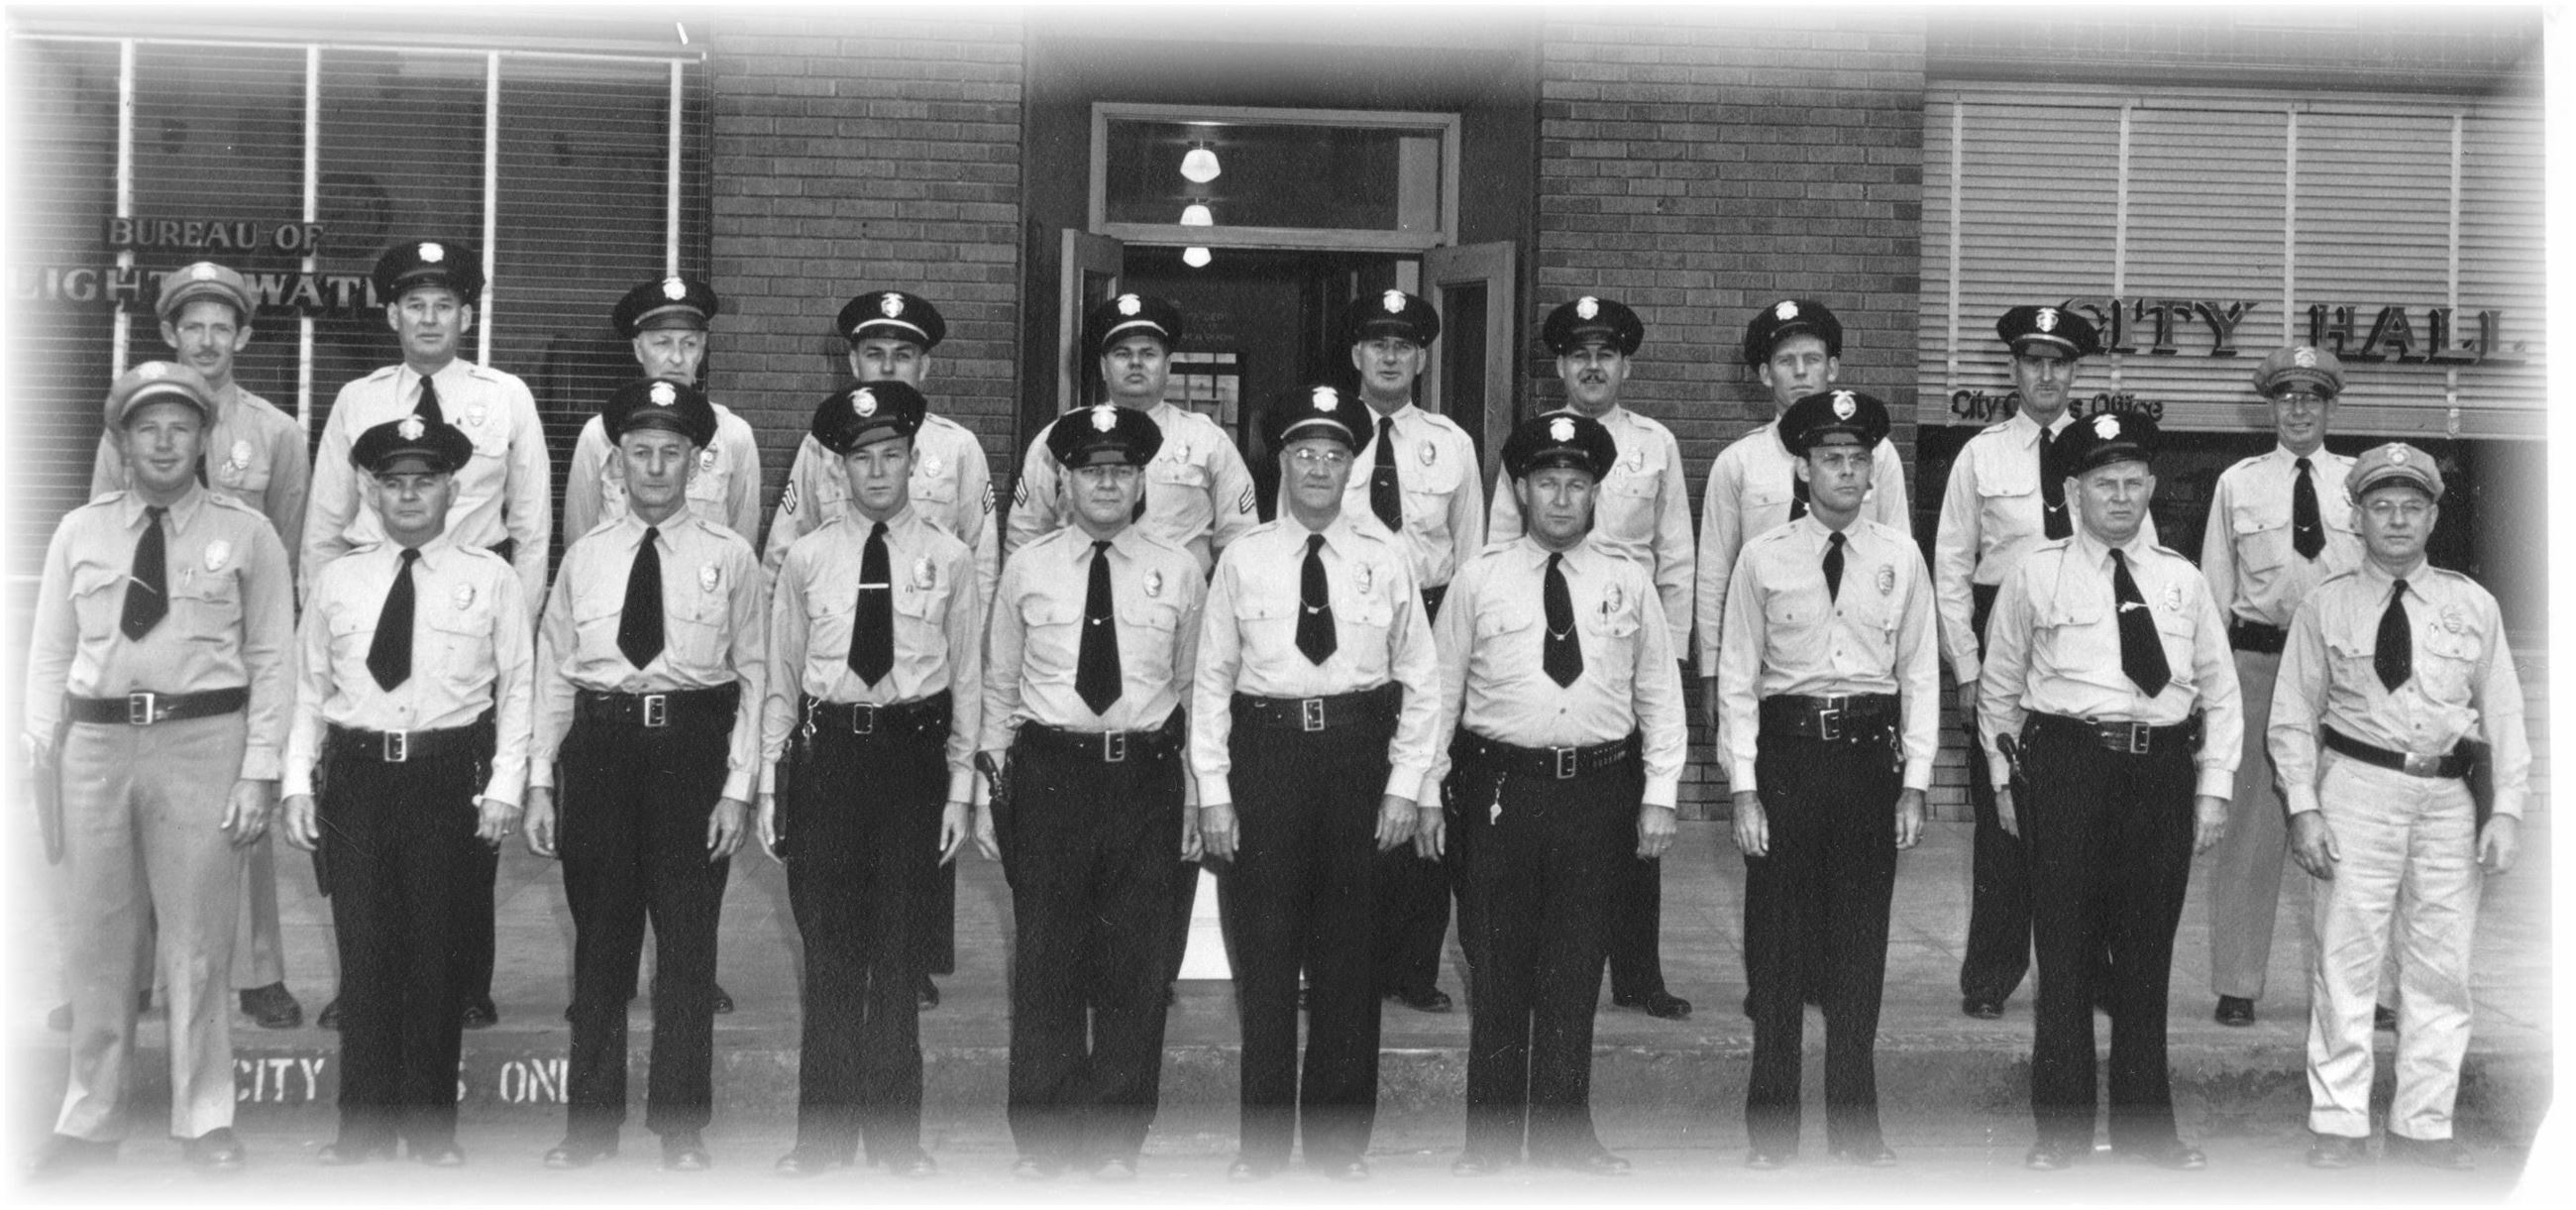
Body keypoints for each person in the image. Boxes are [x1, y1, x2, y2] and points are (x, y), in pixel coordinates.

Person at [24, 362, 292, 1176]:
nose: (166, 441)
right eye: (148, 427)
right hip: (96, 749)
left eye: (182, 426)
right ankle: (89, 1115)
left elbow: (272, 656)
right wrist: (38, 746)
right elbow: (49, 652)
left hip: (201, 743)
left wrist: (259, 770)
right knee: (98, 944)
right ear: (123, 440)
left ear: (206, 437)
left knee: (198, 943)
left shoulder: (249, 532)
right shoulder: (80, 530)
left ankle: (203, 1115)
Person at [1977, 410, 2237, 1171]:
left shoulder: (2182, 580)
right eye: (2104, 483)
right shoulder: (2036, 572)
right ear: (2073, 490)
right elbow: (1998, 691)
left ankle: (2148, 1134)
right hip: (2067, 766)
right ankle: (2059, 1135)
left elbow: (2221, 693)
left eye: (2133, 483)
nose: (2120, 497)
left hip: (2158, 771)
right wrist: (2001, 780)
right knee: (2062, 953)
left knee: (2147, 957)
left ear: (2151, 486)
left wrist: (2213, 788)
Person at [1194, 385, 1440, 1182]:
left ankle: (1339, 1148)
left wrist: (1406, 785)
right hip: (1267, 762)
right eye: (1305, 454)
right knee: (1263, 958)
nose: (1319, 470)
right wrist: (1215, 790)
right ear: (1283, 461)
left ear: (1352, 466)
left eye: (1335, 456)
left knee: (1350, 957)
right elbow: (1211, 681)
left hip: (1358, 762)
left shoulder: (1386, 556)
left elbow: (1422, 680)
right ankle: (1261, 1149)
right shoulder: (1244, 557)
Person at [305, 238, 549, 1031]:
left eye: (445, 304)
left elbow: (532, 525)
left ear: (468, 313)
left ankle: (465, 984)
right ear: (391, 314)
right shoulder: (357, 400)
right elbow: (324, 525)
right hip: (373, 618)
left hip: (468, 619)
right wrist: (332, 628)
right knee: (363, 839)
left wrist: (518, 630)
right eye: (415, 304)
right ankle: (363, 983)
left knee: (464, 832)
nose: (430, 318)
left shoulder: (505, 397)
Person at [1434, 411, 1686, 1177]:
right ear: (1520, 487)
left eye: (1578, 483)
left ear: (1596, 493)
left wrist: (1661, 793)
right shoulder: (1480, 579)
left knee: (1577, 968)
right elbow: (1439, 693)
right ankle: (1489, 1143)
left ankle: (1565, 1134)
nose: (1563, 497)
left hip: (1598, 791)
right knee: (1499, 967)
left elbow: (1659, 694)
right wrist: (1419, 788)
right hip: (1501, 790)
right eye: (1548, 481)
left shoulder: (1627, 580)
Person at [278, 414, 532, 1167]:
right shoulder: (338, 578)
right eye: (395, 481)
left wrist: (507, 785)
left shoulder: (491, 577)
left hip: (445, 777)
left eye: (425, 480)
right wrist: (298, 782)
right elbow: (307, 688)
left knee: (434, 953)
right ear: (371, 489)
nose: (410, 494)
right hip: (356, 779)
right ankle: (360, 1127)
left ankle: (429, 1132)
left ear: (453, 488)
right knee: (364, 953)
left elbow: (519, 687)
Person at [524, 380, 764, 1171]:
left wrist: (738, 785)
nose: (656, 466)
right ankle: (589, 1125)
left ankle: (681, 1126)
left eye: (672, 452)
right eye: (641, 452)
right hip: (601, 753)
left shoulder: (731, 558)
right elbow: (555, 672)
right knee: (601, 944)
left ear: (696, 463)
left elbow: (757, 675)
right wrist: (537, 780)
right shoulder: (585, 557)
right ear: (616, 463)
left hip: (693, 754)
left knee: (689, 945)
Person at [2273, 443, 2528, 1171]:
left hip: (2449, 797)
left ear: (2434, 516)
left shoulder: (2471, 603)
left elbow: (2504, 710)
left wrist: (2506, 807)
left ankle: (2424, 1126)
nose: (2396, 520)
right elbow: (2292, 713)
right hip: (2356, 785)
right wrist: (2304, 807)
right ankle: (2338, 1120)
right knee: (2344, 956)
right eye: (2381, 506)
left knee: (2441, 964)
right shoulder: (2325, 605)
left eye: (2411, 506)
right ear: (2356, 517)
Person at [78, 263, 309, 1033]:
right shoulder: (131, 429)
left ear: (243, 335)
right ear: (170, 333)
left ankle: (259, 972)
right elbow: (106, 534)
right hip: (144, 652)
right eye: (193, 327)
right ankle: (127, 977)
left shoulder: (276, 432)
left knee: (237, 820)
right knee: (128, 828)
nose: (207, 341)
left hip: (228, 656)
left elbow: (288, 545)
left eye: (223, 327)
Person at [759, 381, 982, 1179]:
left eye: (892, 455)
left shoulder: (950, 559)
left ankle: (895, 1139)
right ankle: (819, 1139)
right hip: (830, 763)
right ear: (838, 468)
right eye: (863, 458)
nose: (878, 471)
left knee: (896, 957)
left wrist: (962, 787)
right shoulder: (807, 559)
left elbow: (970, 679)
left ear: (914, 462)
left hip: (912, 762)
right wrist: (765, 784)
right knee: (828, 954)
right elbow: (780, 675)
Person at [1008, 291, 1257, 1000]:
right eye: (1122, 350)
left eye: (1149, 350)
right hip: (1077, 631)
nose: (1137, 362)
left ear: (1169, 361)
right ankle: (1081, 972)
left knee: (1164, 818)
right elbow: (1025, 534)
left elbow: (1241, 540)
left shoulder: (1207, 442)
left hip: (1170, 636)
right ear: (1103, 362)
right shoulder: (1056, 439)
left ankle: (1151, 969)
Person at [979, 402, 1204, 1180]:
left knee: (1133, 962)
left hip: (1144, 775)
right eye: (1090, 469)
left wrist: (1198, 793)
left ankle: (1115, 1138)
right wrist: (986, 790)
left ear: (1141, 480)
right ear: (1064, 480)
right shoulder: (1028, 567)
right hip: (1050, 773)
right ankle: (1042, 1137)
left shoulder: (1177, 567)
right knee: (1046, 956)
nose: (1106, 482)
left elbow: (1193, 687)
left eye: (1121, 469)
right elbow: (1000, 684)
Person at [1714, 389, 1936, 1169]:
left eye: (1857, 461)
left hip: (1867, 763)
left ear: (1873, 471)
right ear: (1802, 469)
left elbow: (1918, 671)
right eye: (1830, 460)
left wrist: (1914, 780)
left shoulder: (1899, 557)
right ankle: (1771, 1133)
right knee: (1775, 953)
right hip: (1788, 760)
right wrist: (1742, 785)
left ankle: (1856, 1129)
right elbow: (1738, 676)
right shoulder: (1763, 556)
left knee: (1858, 950)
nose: (1845, 472)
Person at [764, 289, 994, 1012]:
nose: (885, 365)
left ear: (924, 365)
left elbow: (978, 562)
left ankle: (916, 957)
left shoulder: (956, 447)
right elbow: (786, 544)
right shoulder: (818, 445)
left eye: (901, 355)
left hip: (923, 661)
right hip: (835, 666)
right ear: (852, 360)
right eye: (872, 354)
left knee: (918, 858)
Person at [1934, 303, 2156, 1021]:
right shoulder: (1982, 454)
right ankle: (1992, 972)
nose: (2047, 374)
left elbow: (2138, 562)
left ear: (2075, 371)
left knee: (2087, 817)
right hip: (2005, 639)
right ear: (2014, 369)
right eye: (2034, 361)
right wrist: (1966, 668)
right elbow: (1950, 568)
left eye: (2060, 362)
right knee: (2006, 816)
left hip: (2084, 643)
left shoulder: (2104, 459)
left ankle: (2089, 972)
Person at [1488, 295, 1693, 1021]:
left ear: (1625, 364)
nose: (1593, 366)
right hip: (1549, 636)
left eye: (1606, 354)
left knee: (1637, 816)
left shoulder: (1655, 444)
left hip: (1626, 643)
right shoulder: (1530, 447)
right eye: (1579, 355)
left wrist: (1669, 657)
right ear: (1561, 367)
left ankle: (1640, 974)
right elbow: (1500, 550)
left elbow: (1676, 555)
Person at [2199, 345, 2361, 1028]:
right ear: (2270, 405)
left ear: (2330, 406)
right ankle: (2238, 980)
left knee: (2356, 824)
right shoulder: (2239, 482)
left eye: (2313, 397)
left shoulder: (2360, 479)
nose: (2299, 408)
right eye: (2288, 396)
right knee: (2250, 830)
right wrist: (2213, 688)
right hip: (2260, 662)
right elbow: (2214, 588)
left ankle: (2364, 987)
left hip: (2343, 672)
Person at [1330, 289, 1481, 1016]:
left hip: (1432, 619)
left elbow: (1473, 555)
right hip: (1351, 629)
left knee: (1427, 784)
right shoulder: (1324, 431)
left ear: (1421, 357)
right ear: (1356, 354)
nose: (1390, 354)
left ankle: (1416, 966)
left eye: (1404, 343)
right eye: (1376, 342)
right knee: (1357, 791)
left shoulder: (1450, 443)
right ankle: (1345, 962)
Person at [562, 275, 762, 543]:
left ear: (702, 351)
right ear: (638, 350)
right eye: (662, 343)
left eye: (689, 344)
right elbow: (578, 547)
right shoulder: (599, 435)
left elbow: (742, 549)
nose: (677, 358)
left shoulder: (733, 436)